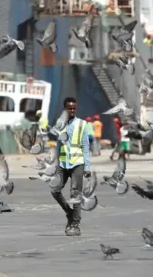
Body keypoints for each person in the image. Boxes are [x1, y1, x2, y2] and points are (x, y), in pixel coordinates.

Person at [52, 97, 92, 236]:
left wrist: (87, 166)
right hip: (63, 164)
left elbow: (86, 146)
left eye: (74, 108)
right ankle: (69, 213)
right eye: (69, 108)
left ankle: (75, 225)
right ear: (65, 109)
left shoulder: (82, 124)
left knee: (75, 194)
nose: (72, 110)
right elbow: (58, 145)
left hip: (77, 163)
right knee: (54, 190)